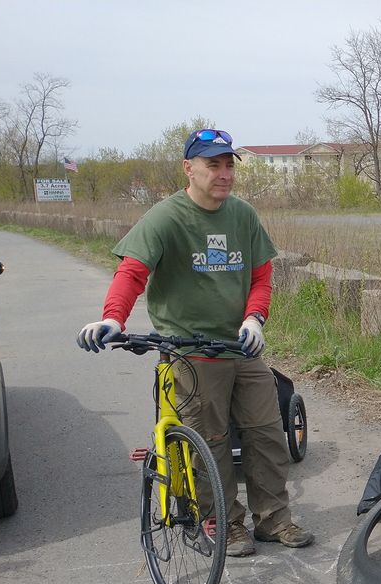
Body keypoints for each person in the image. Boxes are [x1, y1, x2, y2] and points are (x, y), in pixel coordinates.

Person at [77, 127, 313, 557]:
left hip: (241, 348)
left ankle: (274, 520)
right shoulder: (166, 217)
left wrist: (255, 318)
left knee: (266, 434)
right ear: (189, 167)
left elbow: (261, 278)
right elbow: (132, 272)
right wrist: (113, 318)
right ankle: (226, 523)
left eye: (228, 165)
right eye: (212, 165)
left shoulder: (242, 215)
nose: (223, 174)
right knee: (212, 443)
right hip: (190, 353)